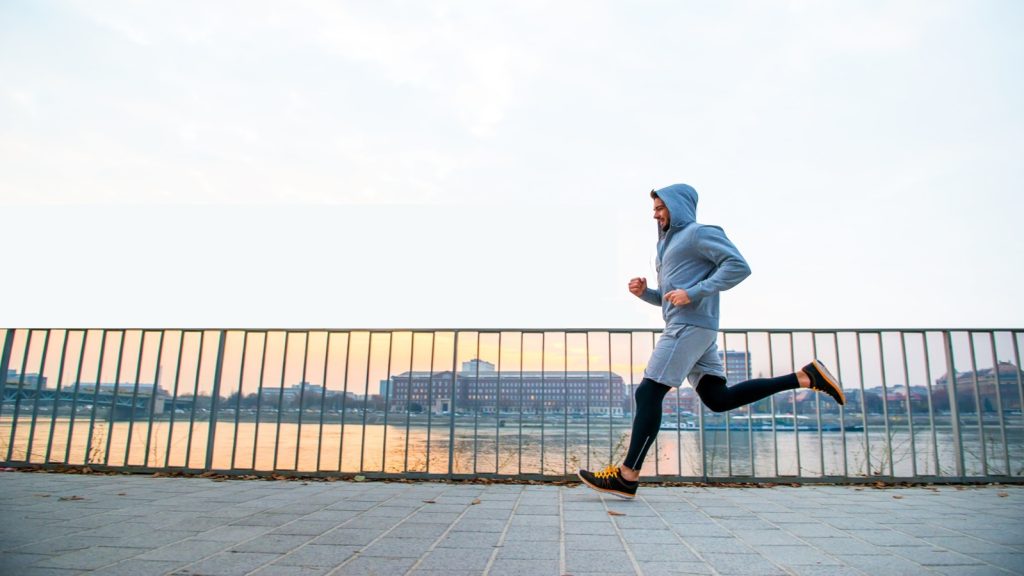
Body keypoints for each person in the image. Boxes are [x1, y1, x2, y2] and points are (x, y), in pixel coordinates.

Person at [577, 184, 845, 499]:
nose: (655, 215)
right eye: (654, 209)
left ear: (677, 206)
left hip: (689, 327)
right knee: (718, 399)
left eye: (660, 207)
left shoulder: (698, 233)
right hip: (691, 326)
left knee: (648, 392)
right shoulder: (666, 245)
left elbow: (738, 266)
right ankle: (805, 377)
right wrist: (646, 293)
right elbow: (671, 298)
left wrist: (694, 292)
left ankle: (627, 476)